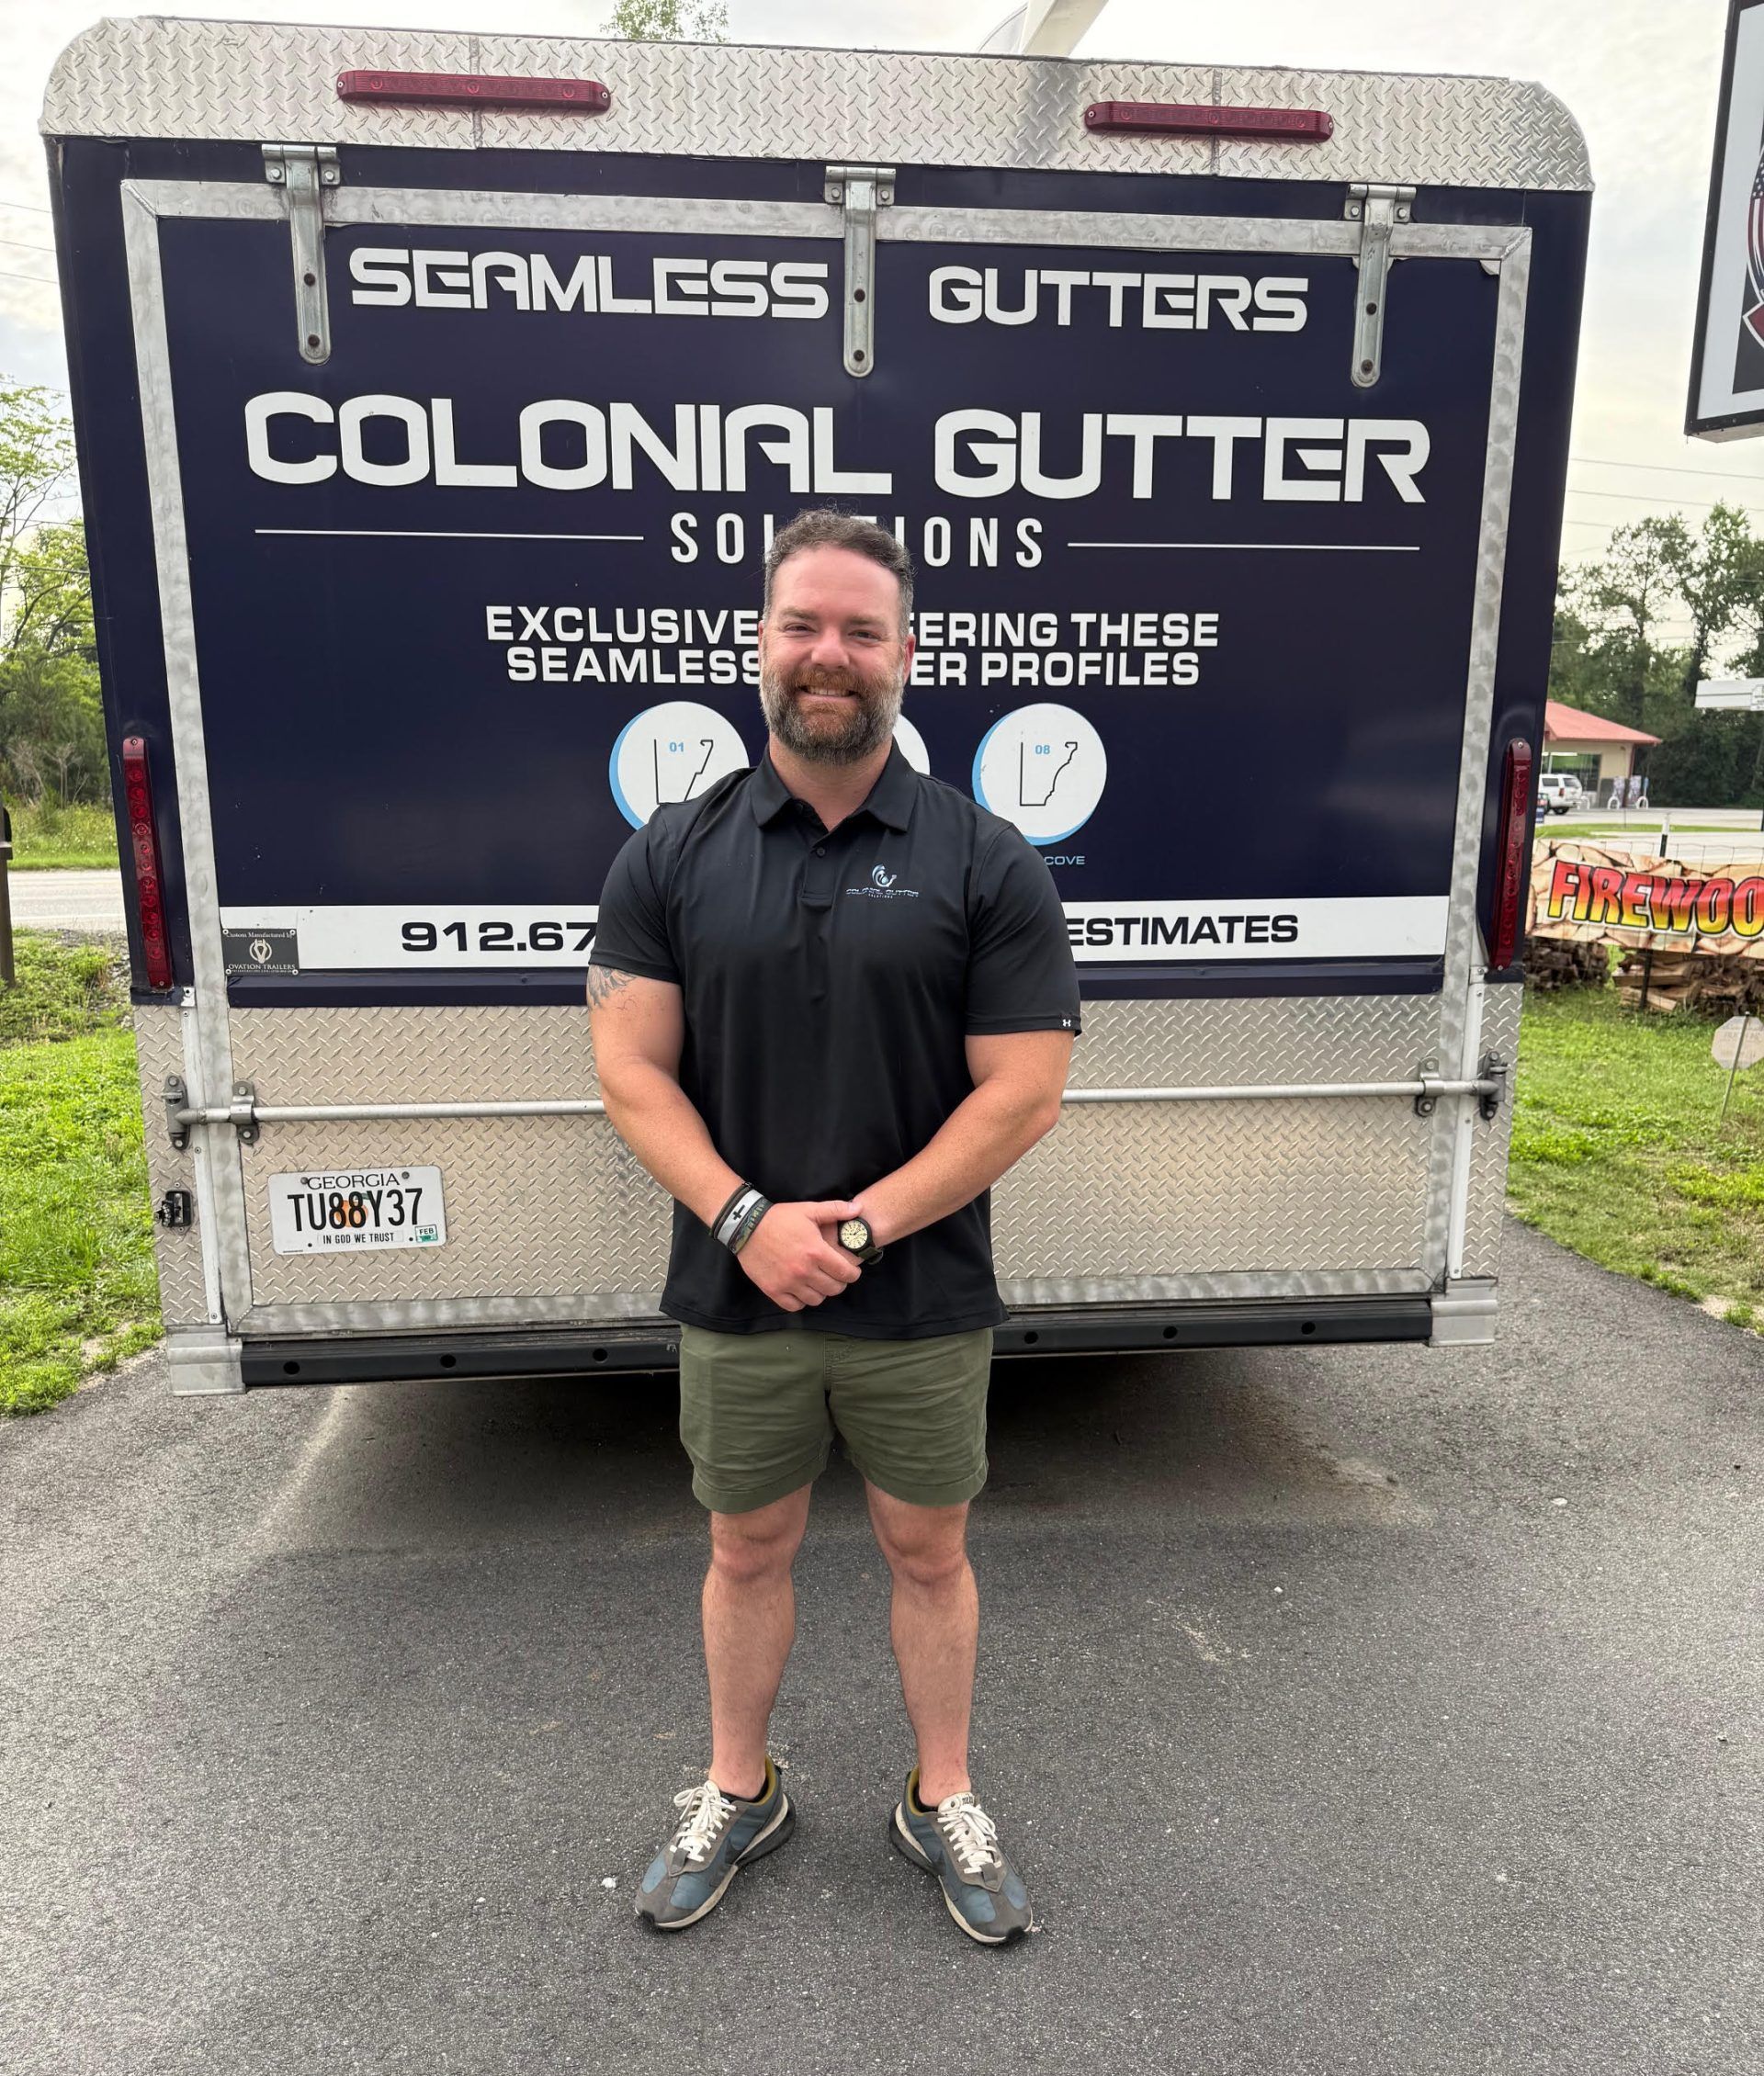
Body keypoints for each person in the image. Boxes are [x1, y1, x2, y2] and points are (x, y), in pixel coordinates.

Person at [584, 509, 1080, 1946]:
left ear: (907, 656)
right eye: (804, 623)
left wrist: (852, 1233)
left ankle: (943, 1797)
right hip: (736, 1292)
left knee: (932, 1551)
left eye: (862, 630)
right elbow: (630, 1070)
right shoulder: (671, 856)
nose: (830, 654)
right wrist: (747, 1220)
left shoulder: (988, 859)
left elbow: (1024, 1092)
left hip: (917, 1300)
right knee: (747, 1547)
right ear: (759, 644)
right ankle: (740, 1787)